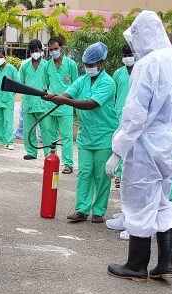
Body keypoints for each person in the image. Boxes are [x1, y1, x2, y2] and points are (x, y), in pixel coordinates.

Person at [104, 11, 172, 282]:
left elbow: (135, 114)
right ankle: (166, 262)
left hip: (147, 141)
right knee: (162, 200)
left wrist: (117, 150)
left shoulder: (148, 64)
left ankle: (136, 265)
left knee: (139, 200)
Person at [45, 42, 118, 224]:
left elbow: (91, 104)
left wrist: (64, 101)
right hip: (86, 136)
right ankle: (81, 209)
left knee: (101, 175)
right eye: (86, 65)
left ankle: (99, 211)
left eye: (92, 65)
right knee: (84, 172)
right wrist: (54, 97)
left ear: (101, 64)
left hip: (104, 135)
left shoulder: (108, 82)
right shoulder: (82, 80)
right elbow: (68, 94)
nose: (88, 68)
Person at [45, 36, 78, 174]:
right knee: (50, 135)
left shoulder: (71, 64)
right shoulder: (47, 65)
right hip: (50, 106)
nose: (53, 52)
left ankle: (68, 164)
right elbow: (46, 84)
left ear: (61, 48)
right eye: (51, 49)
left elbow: (76, 85)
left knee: (66, 136)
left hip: (65, 106)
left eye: (56, 49)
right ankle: (50, 161)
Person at [19, 39, 51, 160]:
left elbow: (50, 83)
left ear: (41, 51)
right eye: (32, 51)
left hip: (43, 103)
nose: (35, 53)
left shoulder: (47, 65)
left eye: (37, 50)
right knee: (28, 130)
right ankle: (31, 152)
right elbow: (21, 84)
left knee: (46, 130)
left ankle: (48, 153)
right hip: (28, 102)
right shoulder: (25, 66)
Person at [111, 43, 135, 189]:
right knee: (119, 144)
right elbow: (113, 94)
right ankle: (119, 175)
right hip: (119, 113)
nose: (128, 58)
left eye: (130, 55)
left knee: (133, 146)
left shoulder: (141, 71)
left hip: (135, 114)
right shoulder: (118, 74)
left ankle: (129, 176)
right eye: (125, 56)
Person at [0, 48, 17, 150]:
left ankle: (9, 141)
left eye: (1, 57)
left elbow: (17, 83)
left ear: (5, 57)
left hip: (8, 99)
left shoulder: (11, 69)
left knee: (8, 121)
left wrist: (11, 95)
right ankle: (0, 140)